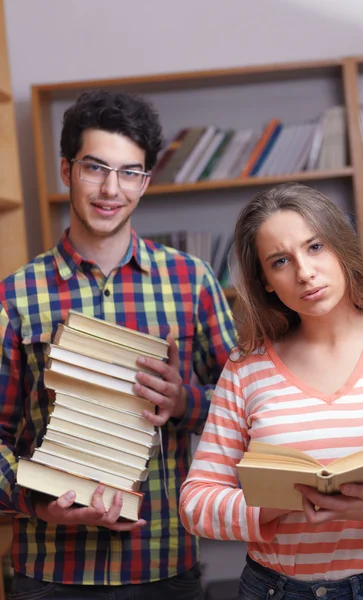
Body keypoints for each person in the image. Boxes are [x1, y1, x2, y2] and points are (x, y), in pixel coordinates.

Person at [0, 89, 236, 599]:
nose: (112, 189)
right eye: (95, 168)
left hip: (165, 566)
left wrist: (183, 402)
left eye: (130, 172)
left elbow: (251, 411)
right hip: (50, 573)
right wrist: (39, 505)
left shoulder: (191, 281)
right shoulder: (14, 296)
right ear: (66, 170)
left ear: (147, 180)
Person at [179, 182, 363, 600]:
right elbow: (195, 503)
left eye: (316, 247)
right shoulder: (245, 366)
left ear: (341, 248)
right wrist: (273, 505)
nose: (304, 272)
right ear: (266, 281)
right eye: (280, 261)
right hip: (274, 590)